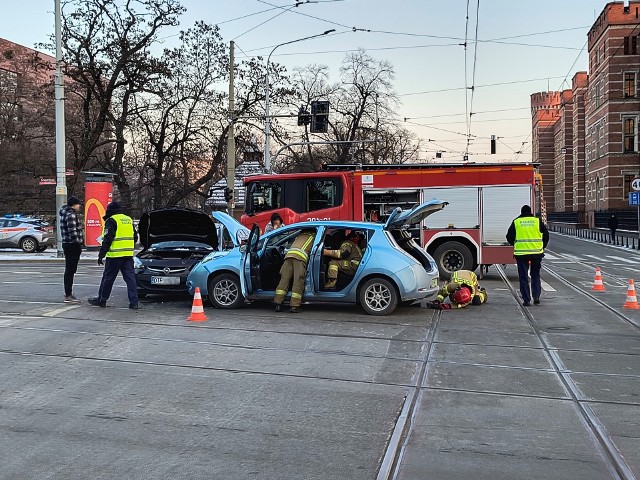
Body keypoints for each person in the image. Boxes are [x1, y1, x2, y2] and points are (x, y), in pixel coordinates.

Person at [88, 201, 139, 309]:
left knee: (108, 278)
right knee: (130, 279)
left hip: (115, 256)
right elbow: (135, 237)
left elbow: (107, 239)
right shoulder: (128, 220)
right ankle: (134, 303)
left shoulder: (111, 220)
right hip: (128, 255)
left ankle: (102, 300)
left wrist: (101, 255)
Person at [506, 205, 549, 307]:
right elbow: (546, 235)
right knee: (535, 275)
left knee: (523, 277)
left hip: (521, 254)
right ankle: (536, 297)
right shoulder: (537, 221)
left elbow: (509, 236)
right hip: (536, 253)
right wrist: (542, 247)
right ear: (530, 212)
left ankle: (526, 300)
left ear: (521, 212)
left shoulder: (516, 222)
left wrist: (516, 244)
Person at [273, 229, 315, 313]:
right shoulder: (313, 236)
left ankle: (278, 304)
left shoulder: (299, 236)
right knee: (298, 281)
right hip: (300, 259)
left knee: (284, 280)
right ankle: (295, 306)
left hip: (288, 257)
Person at [59, 196, 84, 303]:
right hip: (72, 245)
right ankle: (68, 295)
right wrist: (79, 242)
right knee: (70, 270)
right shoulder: (71, 215)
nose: (79, 206)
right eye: (78, 204)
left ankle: (68, 293)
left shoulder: (64, 213)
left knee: (69, 270)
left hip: (67, 244)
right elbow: (73, 231)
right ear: (73, 205)